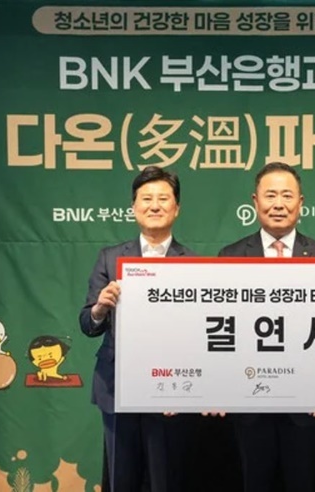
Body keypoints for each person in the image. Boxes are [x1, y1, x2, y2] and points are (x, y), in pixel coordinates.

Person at [218, 162, 315, 492]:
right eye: (270, 195)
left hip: (307, 400)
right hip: (249, 397)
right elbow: (223, 325)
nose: (279, 204)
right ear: (255, 202)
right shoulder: (231, 257)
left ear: (301, 203)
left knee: (303, 481)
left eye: (287, 195)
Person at [79, 166, 197, 492]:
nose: (154, 205)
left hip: (170, 391)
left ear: (176, 208)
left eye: (163, 198)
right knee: (122, 479)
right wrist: (100, 308)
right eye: (146, 198)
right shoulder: (110, 258)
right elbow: (88, 323)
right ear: (133, 207)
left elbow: (198, 335)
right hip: (118, 387)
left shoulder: (193, 262)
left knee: (165, 480)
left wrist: (184, 387)